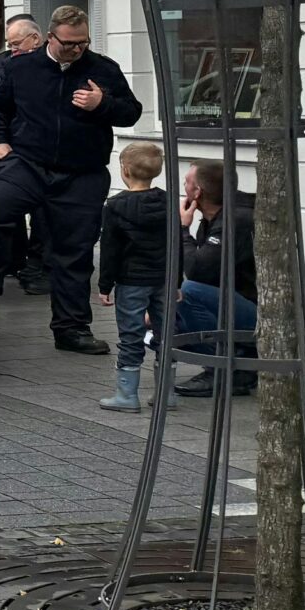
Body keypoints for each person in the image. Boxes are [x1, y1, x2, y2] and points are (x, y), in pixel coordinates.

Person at [0, 4, 143, 353]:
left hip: (80, 173)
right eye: (69, 43)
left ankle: (71, 329)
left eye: (82, 42)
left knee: (74, 252)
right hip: (27, 163)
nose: (76, 49)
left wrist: (103, 103)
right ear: (50, 38)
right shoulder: (22, 67)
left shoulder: (103, 69)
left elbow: (131, 112)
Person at [96, 141, 170, 411]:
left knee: (131, 334)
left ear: (125, 170)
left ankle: (127, 395)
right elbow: (177, 242)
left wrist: (105, 284)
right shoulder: (167, 201)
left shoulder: (115, 206)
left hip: (131, 280)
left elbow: (110, 249)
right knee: (167, 332)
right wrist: (178, 281)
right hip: (163, 278)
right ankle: (167, 393)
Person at [175, 159, 257, 398]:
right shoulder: (215, 217)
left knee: (187, 290)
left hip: (256, 313)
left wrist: (182, 229)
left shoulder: (236, 220)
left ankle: (223, 369)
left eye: (187, 182)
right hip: (232, 303)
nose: (184, 186)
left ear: (198, 192)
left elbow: (197, 271)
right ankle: (238, 363)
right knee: (160, 326)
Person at [0, 17, 46, 291]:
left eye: (17, 44)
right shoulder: (3, 60)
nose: (12, 49)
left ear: (36, 39)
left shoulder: (47, 64)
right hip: (6, 143)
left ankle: (37, 266)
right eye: (9, 44)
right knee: (4, 205)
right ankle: (14, 260)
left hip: (36, 146)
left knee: (42, 212)